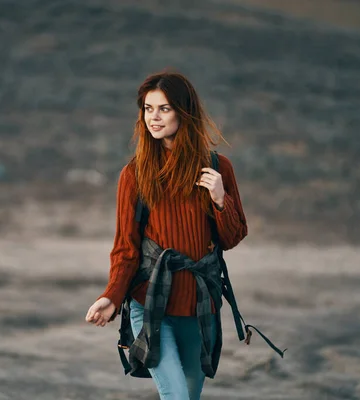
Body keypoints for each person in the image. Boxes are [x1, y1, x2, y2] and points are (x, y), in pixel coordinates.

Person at [85, 70, 248, 400]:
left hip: (201, 306)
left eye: (164, 109)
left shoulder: (218, 168)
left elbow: (233, 237)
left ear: (184, 112)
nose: (153, 118)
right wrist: (112, 296)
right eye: (148, 109)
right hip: (151, 305)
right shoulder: (135, 174)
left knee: (189, 395)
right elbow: (126, 249)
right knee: (176, 396)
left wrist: (220, 199)